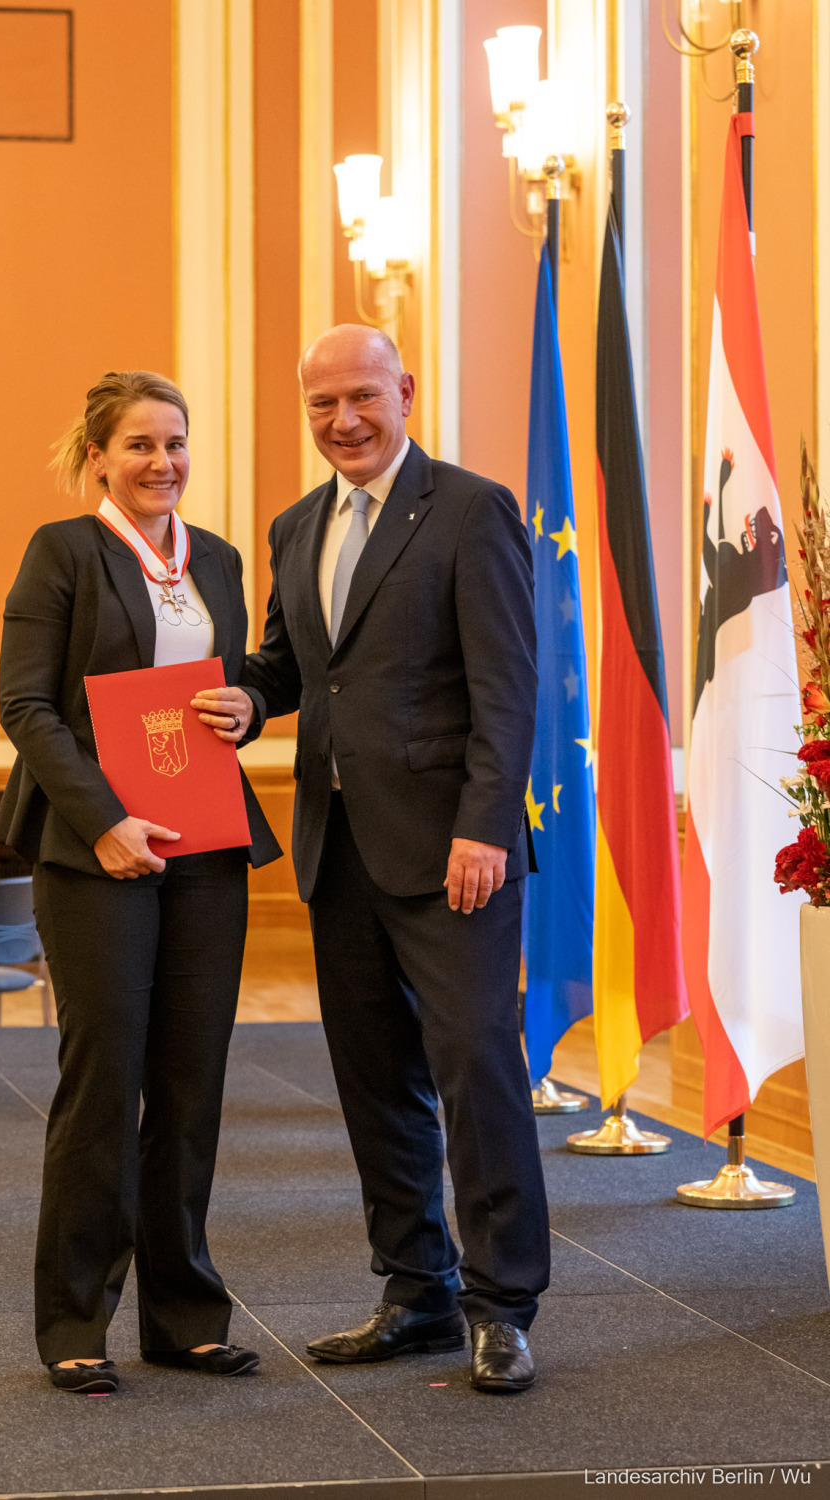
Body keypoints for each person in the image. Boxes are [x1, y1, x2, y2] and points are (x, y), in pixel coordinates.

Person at [235, 324, 550, 1393]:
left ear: (404, 391)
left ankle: (502, 1304)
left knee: (477, 1074)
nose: (344, 422)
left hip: (451, 850)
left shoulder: (469, 509)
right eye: (321, 405)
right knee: (376, 1085)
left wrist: (484, 827)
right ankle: (414, 1290)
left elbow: (509, 689)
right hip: (339, 850)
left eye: (362, 397)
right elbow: (293, 669)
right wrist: (245, 694)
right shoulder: (293, 526)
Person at [0, 370, 280, 1394]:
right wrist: (107, 822)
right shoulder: (63, 552)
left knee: (193, 1086)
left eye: (176, 443)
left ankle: (185, 1316)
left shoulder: (226, 562)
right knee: (104, 1086)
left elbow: (236, 684)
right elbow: (25, 707)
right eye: (140, 445)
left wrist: (246, 703)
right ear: (98, 455)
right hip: (97, 853)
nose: (163, 463)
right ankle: (75, 1320)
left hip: (206, 850)